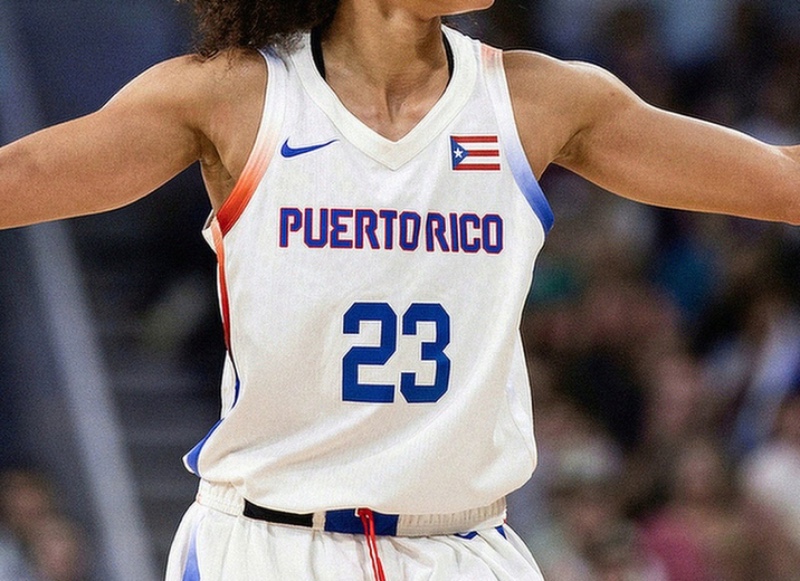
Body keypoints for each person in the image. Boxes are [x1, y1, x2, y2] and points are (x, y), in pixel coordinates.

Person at [1, 1, 798, 579]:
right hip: (270, 544)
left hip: (466, 546)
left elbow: (778, 178)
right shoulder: (234, 96)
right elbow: (22, 176)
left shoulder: (538, 101)